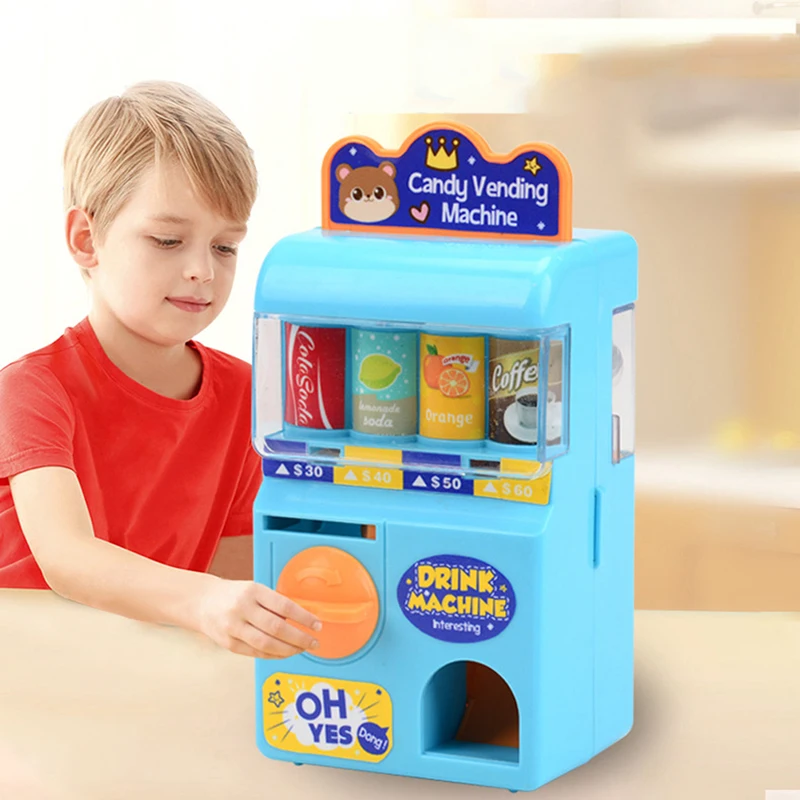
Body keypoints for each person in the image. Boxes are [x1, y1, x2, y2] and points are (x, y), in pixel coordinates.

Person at [0, 81, 321, 659]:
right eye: (169, 240)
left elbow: (232, 593)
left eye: (225, 247)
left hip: (148, 682)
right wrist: (204, 602)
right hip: (31, 679)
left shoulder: (248, 396)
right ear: (86, 239)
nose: (203, 270)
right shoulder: (32, 390)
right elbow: (67, 558)